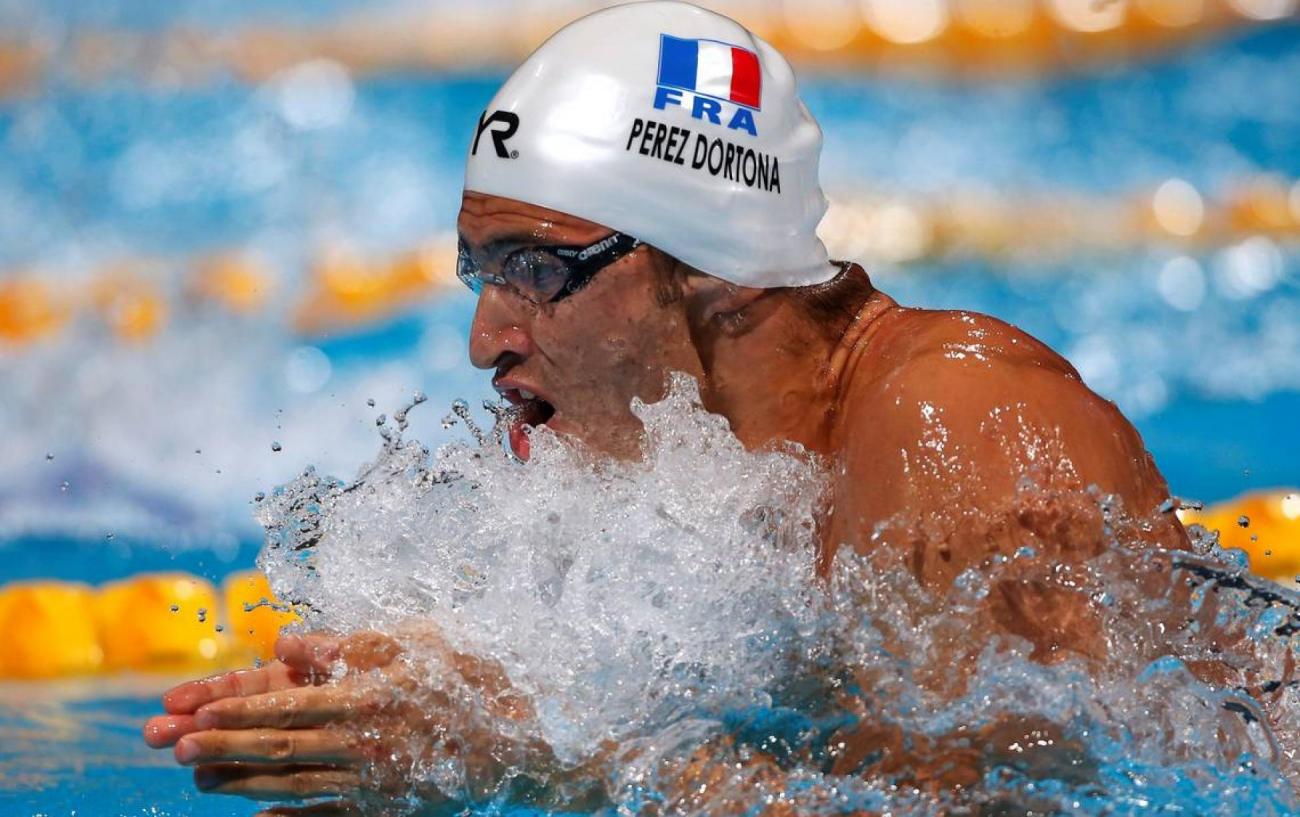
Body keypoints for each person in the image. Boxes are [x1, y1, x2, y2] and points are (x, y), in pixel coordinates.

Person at [143, 2, 1186, 812]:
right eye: (480, 274)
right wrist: (440, 735)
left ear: (717, 270)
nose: (485, 340)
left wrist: (557, 757)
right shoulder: (735, 482)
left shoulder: (948, 428)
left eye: (536, 270)